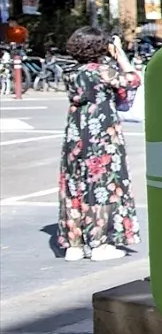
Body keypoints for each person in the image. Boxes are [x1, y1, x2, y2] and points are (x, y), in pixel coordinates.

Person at [58, 27, 140, 261]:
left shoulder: (70, 72)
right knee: (102, 183)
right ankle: (99, 244)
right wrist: (120, 54)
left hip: (75, 132)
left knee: (75, 184)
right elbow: (133, 80)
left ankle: (74, 244)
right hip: (102, 132)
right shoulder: (102, 71)